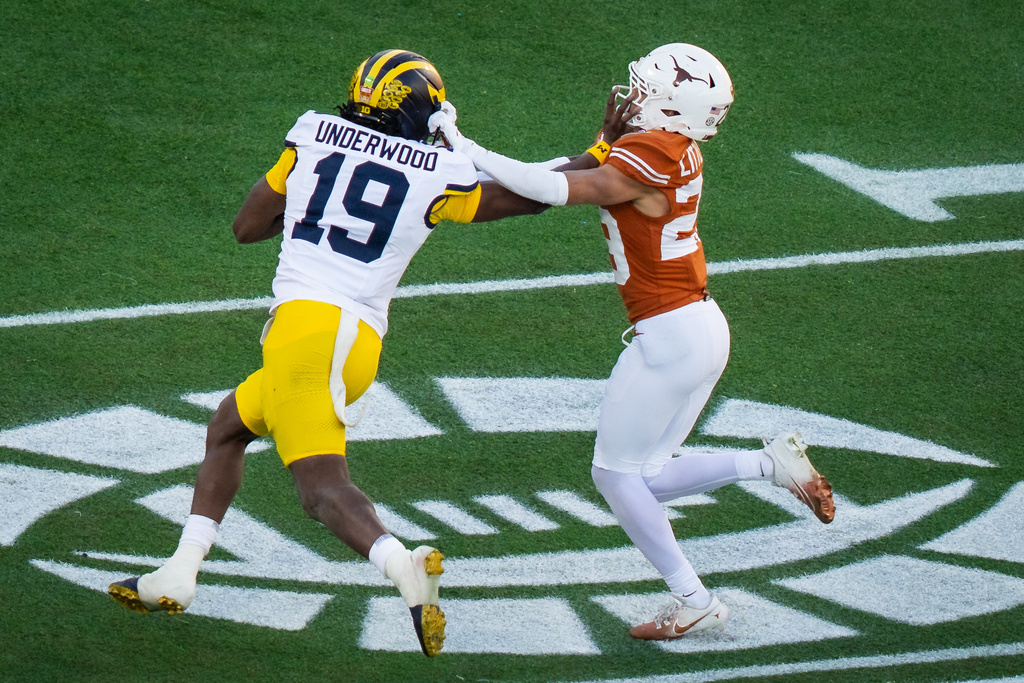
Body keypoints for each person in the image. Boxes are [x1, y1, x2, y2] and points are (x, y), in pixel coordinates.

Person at [106, 49, 613, 658]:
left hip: (310, 334)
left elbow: (247, 226)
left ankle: (403, 567)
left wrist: (304, 220)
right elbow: (531, 193)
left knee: (319, 489)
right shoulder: (434, 173)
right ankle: (179, 573)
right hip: (347, 341)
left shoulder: (312, 137)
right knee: (227, 427)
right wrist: (601, 149)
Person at [431, 43, 836, 640]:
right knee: (644, 474)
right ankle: (769, 464)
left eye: (648, 89)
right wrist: (479, 162)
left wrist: (465, 149)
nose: (634, 96)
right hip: (700, 328)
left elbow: (553, 190)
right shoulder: (675, 148)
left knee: (613, 477)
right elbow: (563, 174)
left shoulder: (651, 149)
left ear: (673, 107)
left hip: (671, 336)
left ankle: (692, 598)